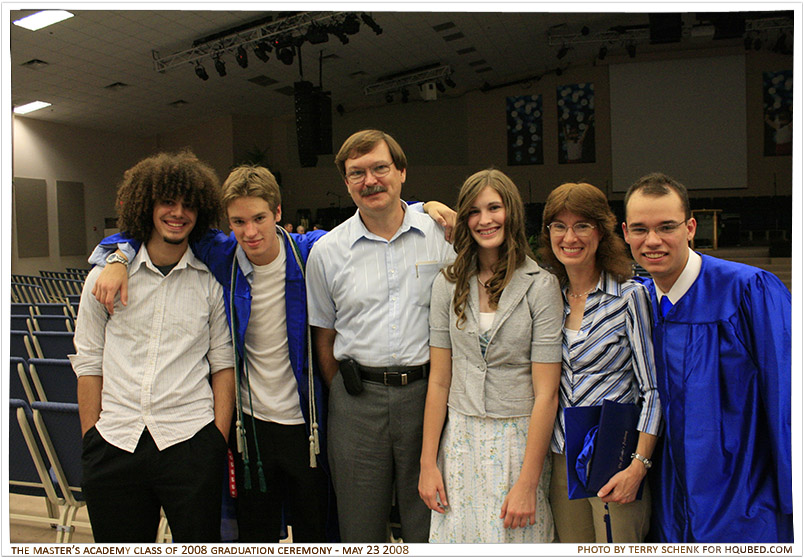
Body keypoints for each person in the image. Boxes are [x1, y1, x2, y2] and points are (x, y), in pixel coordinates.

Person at [85, 166, 337, 542]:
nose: (250, 232)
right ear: (227, 222)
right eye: (238, 221)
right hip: (250, 426)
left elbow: (368, 224)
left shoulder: (310, 253)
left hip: (308, 424)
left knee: (315, 532)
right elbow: (145, 231)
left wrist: (426, 207)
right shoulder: (223, 255)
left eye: (259, 218)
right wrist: (119, 257)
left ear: (279, 212)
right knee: (254, 535)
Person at [69, 151, 235, 542]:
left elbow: (223, 364)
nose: (178, 213)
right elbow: (88, 361)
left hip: (191, 442)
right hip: (114, 442)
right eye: (168, 202)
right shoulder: (103, 278)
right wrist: (91, 437)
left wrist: (217, 440)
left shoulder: (209, 284)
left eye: (189, 205)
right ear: (148, 205)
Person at [622, 172, 792, 543]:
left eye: (666, 226)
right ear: (625, 233)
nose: (652, 241)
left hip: (745, 499)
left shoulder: (748, 291)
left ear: (691, 228)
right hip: (672, 503)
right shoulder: (641, 301)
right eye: (639, 229)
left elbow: (787, 401)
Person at [306, 129, 455, 543]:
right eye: (357, 173)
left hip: (427, 397)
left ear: (402, 172)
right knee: (359, 527)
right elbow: (324, 334)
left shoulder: (442, 237)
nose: (370, 180)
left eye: (379, 168)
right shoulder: (327, 252)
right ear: (347, 183)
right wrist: (343, 389)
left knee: (428, 522)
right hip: (356, 402)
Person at [418, 169, 562, 543]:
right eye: (475, 211)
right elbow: (439, 379)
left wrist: (528, 482)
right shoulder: (447, 284)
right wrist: (428, 463)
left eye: (494, 207)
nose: (485, 220)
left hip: (518, 442)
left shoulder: (541, 285)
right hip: (460, 439)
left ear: (510, 212)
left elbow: (546, 393)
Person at [538, 182, 661, 543]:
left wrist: (638, 466)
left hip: (615, 458)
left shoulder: (629, 296)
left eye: (582, 225)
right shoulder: (547, 299)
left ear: (601, 231)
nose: (569, 236)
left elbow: (653, 390)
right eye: (558, 226)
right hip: (562, 456)